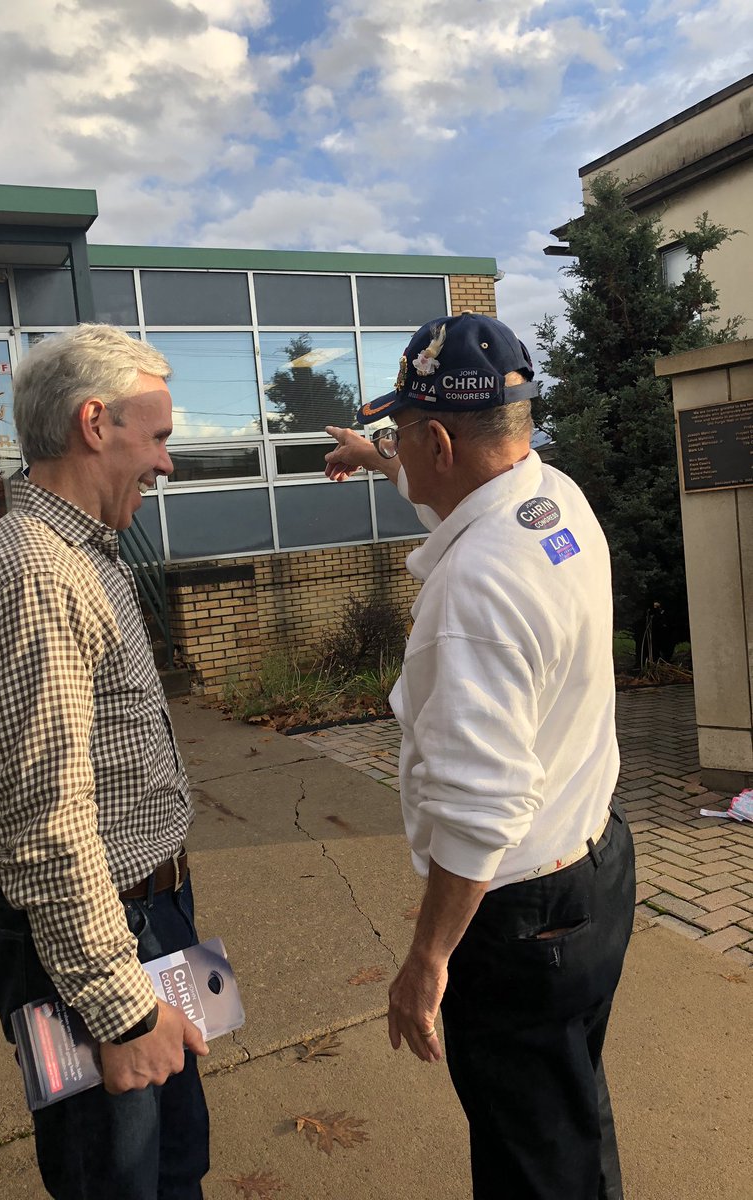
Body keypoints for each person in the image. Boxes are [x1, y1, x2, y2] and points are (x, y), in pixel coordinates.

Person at [324, 312, 634, 1200]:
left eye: (400, 435)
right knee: (569, 1121)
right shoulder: (554, 499)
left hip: (523, 920)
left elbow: (479, 810)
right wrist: (380, 458)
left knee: (532, 1165)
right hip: (598, 872)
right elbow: (454, 484)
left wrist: (427, 960)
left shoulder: (472, 593)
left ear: (439, 440)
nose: (397, 450)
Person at [0, 324, 209, 1200]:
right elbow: (46, 825)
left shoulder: (81, 555)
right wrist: (121, 1006)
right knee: (122, 1182)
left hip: (139, 920)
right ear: (96, 424)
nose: (166, 465)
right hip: (93, 945)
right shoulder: (37, 577)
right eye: (158, 437)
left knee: (170, 1169)